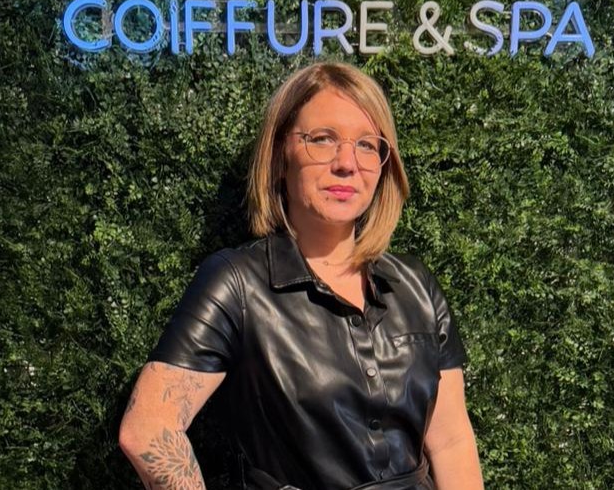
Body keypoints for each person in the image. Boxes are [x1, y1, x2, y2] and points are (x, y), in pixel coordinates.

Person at [118, 62, 483, 490]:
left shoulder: (416, 283)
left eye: (367, 145)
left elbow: (451, 441)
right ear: (279, 157)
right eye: (322, 139)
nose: (347, 163)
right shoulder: (238, 284)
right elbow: (148, 429)